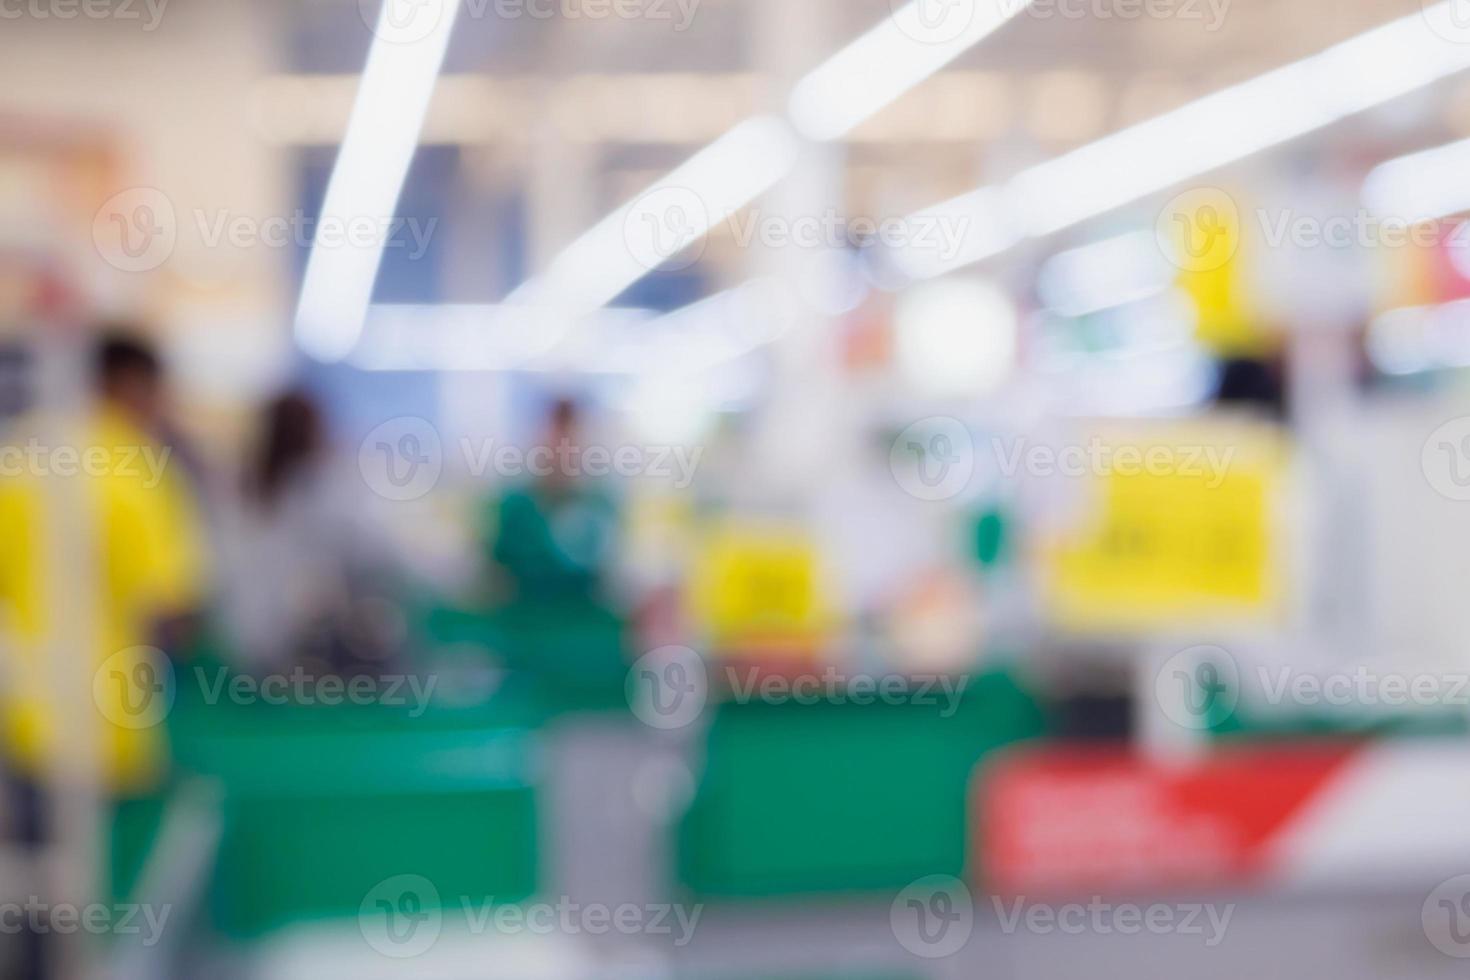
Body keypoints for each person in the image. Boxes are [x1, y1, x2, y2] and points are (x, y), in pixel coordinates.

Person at [0, 329, 209, 978]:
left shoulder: (18, 457)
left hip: (23, 721)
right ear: (132, 385)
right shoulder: (134, 466)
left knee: (35, 898)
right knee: (103, 913)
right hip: (109, 727)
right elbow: (174, 607)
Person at [218, 390, 412, 676]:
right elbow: (378, 548)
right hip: (294, 641)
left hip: (248, 643)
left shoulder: (242, 489)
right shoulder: (318, 486)